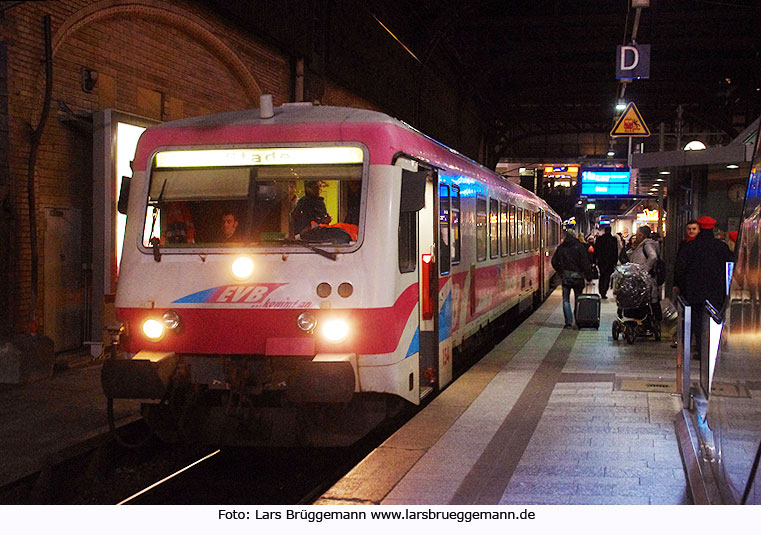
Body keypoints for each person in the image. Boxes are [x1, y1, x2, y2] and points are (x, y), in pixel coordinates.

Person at [674, 216, 734, 359]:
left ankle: (701, 351)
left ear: (699, 229)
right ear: (713, 228)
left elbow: (680, 269)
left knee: (697, 320)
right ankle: (713, 349)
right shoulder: (722, 247)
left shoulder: (690, 247)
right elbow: (729, 268)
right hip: (716, 292)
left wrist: (679, 286)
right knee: (714, 318)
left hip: (694, 292)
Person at [552, 229, 594, 329]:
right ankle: (578, 320)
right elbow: (585, 263)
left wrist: (560, 272)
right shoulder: (580, 247)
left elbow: (554, 262)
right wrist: (589, 276)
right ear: (574, 236)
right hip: (578, 278)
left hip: (566, 277)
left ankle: (568, 322)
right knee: (578, 299)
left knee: (566, 300)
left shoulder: (561, 247)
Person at [627, 225, 662, 328]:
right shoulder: (641, 245)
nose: (636, 237)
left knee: (649, 300)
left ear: (642, 235)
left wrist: (645, 270)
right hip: (639, 277)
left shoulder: (647, 244)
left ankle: (651, 322)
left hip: (646, 279)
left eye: (638, 235)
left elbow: (653, 256)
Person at [593, 225, 618, 299]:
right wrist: (615, 262)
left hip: (601, 261)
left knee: (602, 276)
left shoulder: (599, 239)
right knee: (607, 277)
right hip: (610, 262)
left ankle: (601, 291)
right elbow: (615, 252)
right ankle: (604, 291)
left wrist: (595, 260)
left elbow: (596, 251)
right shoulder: (613, 240)